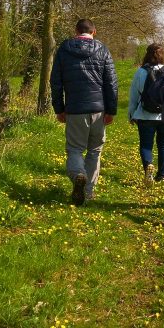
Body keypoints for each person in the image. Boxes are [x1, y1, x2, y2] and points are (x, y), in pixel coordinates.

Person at [50, 18, 118, 206]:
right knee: (95, 151)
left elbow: (55, 82)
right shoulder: (103, 49)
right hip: (98, 109)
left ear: (76, 31)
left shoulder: (64, 49)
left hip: (75, 109)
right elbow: (111, 82)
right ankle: (88, 192)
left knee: (74, 149)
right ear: (94, 32)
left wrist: (59, 108)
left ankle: (79, 175)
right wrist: (111, 110)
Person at [128, 43, 164, 186]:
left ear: (147, 54)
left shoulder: (141, 72)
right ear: (162, 55)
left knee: (146, 145)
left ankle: (148, 167)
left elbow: (134, 94)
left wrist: (132, 114)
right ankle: (162, 175)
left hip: (145, 114)